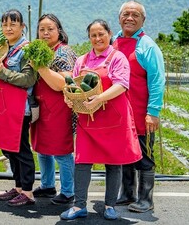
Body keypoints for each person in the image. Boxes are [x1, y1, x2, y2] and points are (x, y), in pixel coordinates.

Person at [60, 19, 142, 221]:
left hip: (113, 118)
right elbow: (74, 87)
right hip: (88, 119)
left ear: (109, 34)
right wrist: (70, 99)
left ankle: (110, 205)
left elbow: (122, 85)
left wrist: (100, 97)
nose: (97, 38)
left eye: (101, 34)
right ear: (89, 38)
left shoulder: (117, 57)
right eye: (93, 35)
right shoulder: (82, 60)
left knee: (113, 163)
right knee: (82, 161)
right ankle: (79, 206)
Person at [0, 9, 37, 207]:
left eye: (13, 24)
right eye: (5, 24)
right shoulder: (1, 48)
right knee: (8, 149)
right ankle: (19, 187)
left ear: (22, 27)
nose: (8, 28)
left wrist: (3, 72)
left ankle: (28, 192)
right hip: (2, 106)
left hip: (20, 109)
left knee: (21, 149)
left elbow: (28, 79)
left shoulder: (26, 49)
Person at [113, 0, 165, 213]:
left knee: (144, 155)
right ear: (119, 18)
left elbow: (157, 80)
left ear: (143, 20)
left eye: (135, 15)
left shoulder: (148, 46)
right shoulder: (113, 41)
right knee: (124, 152)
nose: (130, 18)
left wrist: (153, 112)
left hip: (141, 112)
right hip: (119, 112)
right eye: (126, 14)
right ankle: (127, 193)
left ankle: (146, 199)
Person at [30, 14, 76, 207]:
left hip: (60, 108)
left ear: (59, 31)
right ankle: (48, 185)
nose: (46, 33)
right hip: (43, 108)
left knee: (61, 151)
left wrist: (40, 68)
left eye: (50, 29)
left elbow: (64, 83)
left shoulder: (62, 52)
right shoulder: (44, 51)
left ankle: (68, 191)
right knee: (42, 148)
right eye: (42, 29)